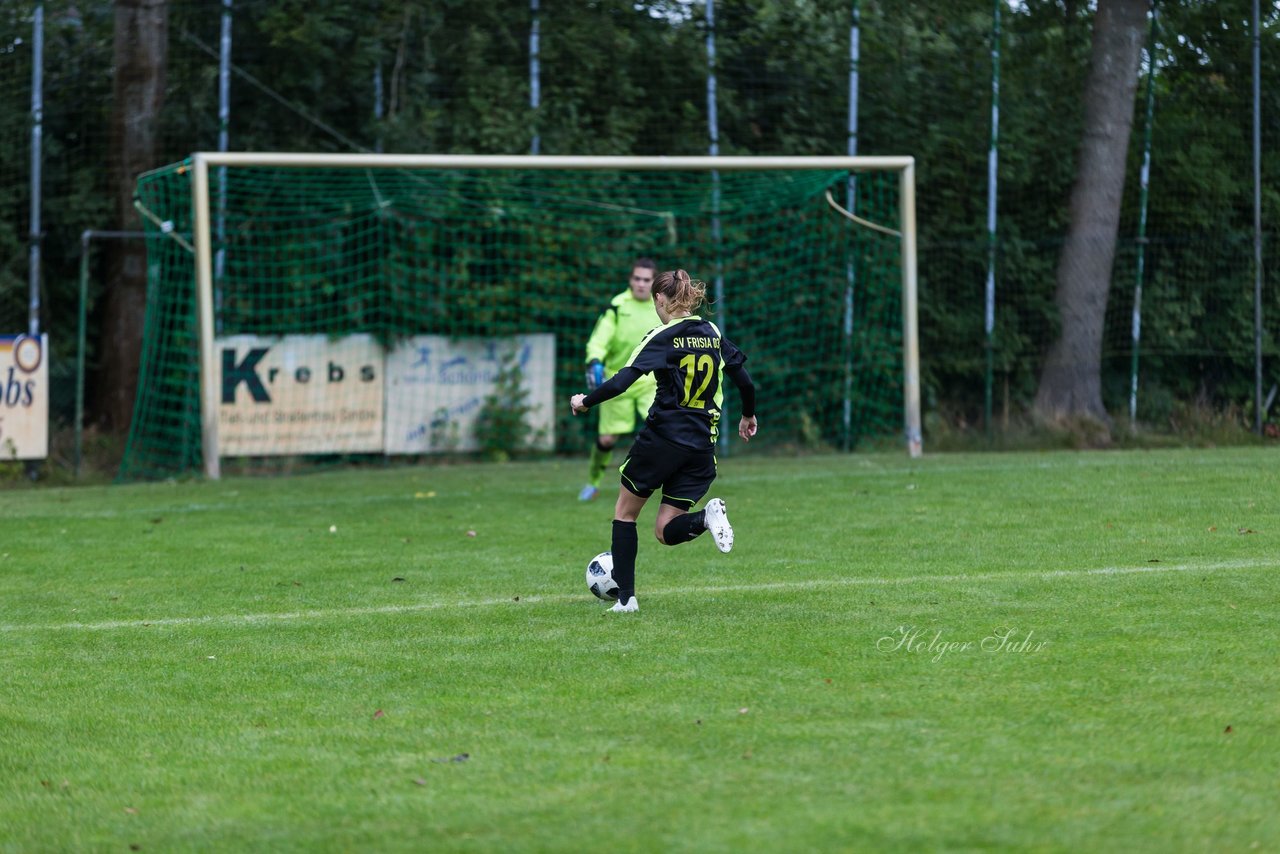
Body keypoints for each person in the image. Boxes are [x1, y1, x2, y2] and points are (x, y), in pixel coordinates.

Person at [570, 269, 758, 613]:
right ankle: (706, 518)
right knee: (664, 530)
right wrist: (748, 415)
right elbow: (745, 382)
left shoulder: (662, 335)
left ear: (660, 299)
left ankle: (626, 600)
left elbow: (622, 381)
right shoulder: (712, 332)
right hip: (702, 446)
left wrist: (585, 401)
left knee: (625, 514)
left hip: (663, 440)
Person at [578, 259, 659, 502]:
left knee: (663, 430)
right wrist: (594, 360)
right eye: (637, 279)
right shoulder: (617, 306)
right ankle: (593, 482)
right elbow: (599, 339)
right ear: (630, 280)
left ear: (654, 282)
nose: (641, 284)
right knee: (606, 439)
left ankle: (665, 480)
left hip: (652, 382)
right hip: (618, 381)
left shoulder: (662, 306)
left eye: (646, 280)